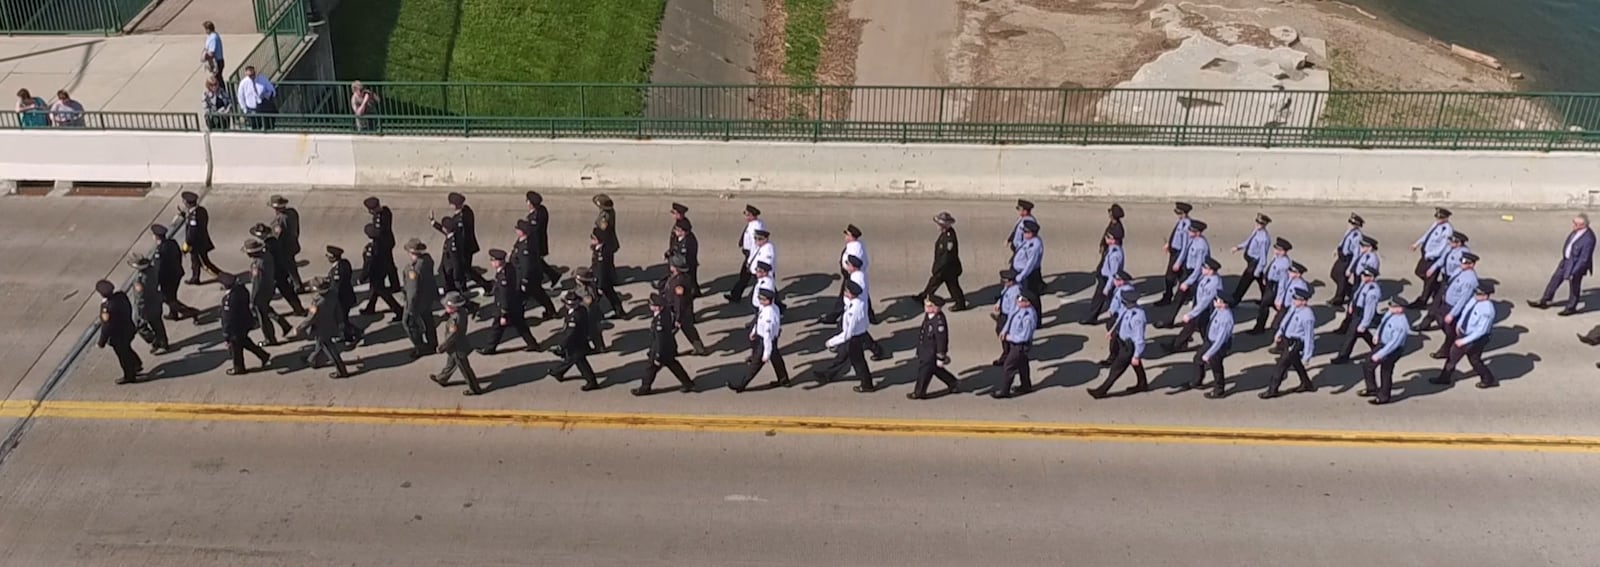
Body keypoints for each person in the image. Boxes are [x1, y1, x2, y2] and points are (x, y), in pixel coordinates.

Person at [1431, 282, 1500, 389]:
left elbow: (1481, 331)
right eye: (1476, 292)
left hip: (1475, 339)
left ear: (1486, 296)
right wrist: (1459, 325)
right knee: (1455, 356)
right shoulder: (1474, 300)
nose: (1475, 295)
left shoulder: (1488, 310)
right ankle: (1445, 377)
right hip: (1464, 333)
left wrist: (1464, 341)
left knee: (1474, 360)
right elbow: (1466, 311)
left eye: (1479, 294)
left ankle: (1488, 379)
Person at [814, 281, 875, 392]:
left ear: (852, 294)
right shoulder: (858, 301)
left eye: (846, 291)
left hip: (854, 338)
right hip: (858, 335)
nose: (845, 293)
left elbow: (847, 333)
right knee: (843, 357)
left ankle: (867, 384)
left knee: (858, 362)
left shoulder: (853, 310)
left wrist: (831, 342)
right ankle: (828, 374)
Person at [1530, 213, 1595, 315]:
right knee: (1555, 279)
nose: (1573, 225)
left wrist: (1574, 272)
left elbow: (1584, 259)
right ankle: (1545, 300)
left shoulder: (1589, 239)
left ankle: (1571, 307)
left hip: (1576, 265)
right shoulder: (1576, 231)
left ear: (1583, 225)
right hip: (1566, 261)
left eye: (1575, 224)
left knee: (1574, 286)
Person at [479, 249, 540, 355]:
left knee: (497, 327)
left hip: (508, 307)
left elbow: (504, 296)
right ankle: (533, 344)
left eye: (493, 260)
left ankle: (489, 348)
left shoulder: (503, 277)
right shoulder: (508, 268)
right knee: (521, 326)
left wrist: (504, 313)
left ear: (499, 261)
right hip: (515, 305)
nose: (491, 262)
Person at [1090, 291, 1149, 398]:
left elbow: (1140, 339)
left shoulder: (1138, 317)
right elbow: (1119, 320)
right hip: (1122, 342)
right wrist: (1112, 331)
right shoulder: (1127, 309)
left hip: (1129, 346)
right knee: (1136, 364)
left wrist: (1136, 355)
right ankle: (1142, 384)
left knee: (1116, 369)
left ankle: (1101, 391)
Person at [1262, 287, 1317, 399]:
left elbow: (1309, 337)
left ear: (1304, 302)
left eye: (1297, 299)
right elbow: (1286, 321)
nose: (1294, 301)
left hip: (1295, 342)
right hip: (1287, 339)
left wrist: (1307, 356)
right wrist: (1279, 333)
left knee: (1281, 366)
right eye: (1294, 299)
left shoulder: (1307, 316)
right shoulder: (1294, 308)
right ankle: (1307, 383)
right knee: (1296, 362)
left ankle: (1272, 390)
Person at [637, 293, 695, 395]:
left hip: (662, 349)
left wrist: (658, 355)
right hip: (669, 347)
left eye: (652, 304)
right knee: (673, 365)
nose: (650, 306)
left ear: (658, 307)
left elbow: (661, 339)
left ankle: (644, 388)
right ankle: (688, 383)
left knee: (651, 367)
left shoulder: (660, 321)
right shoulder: (664, 313)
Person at [431, 192, 492, 291]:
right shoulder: (467, 211)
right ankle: (473, 287)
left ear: (454, 205)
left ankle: (480, 286)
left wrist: (459, 252)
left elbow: (454, 233)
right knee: (465, 270)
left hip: (463, 249)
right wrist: (435, 224)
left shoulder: (460, 219)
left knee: (464, 271)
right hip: (468, 247)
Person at [295, 278, 352, 379]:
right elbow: (338, 309)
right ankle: (312, 360)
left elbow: (310, 319)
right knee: (319, 345)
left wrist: (300, 328)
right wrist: (340, 322)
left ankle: (341, 370)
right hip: (331, 325)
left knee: (329, 349)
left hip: (321, 329)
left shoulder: (317, 304)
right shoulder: (333, 294)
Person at [1178, 296, 1234, 398]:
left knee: (1216, 366)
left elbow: (1220, 340)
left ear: (1224, 304)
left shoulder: (1226, 319)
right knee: (1198, 358)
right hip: (1210, 341)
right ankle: (1197, 381)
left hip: (1218, 345)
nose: (1215, 301)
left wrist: (1209, 354)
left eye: (1218, 300)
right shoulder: (1218, 310)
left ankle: (1219, 389)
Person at [430, 292, 484, 395]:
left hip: (457, 348)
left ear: (453, 307)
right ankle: (442, 378)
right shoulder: (462, 312)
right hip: (456, 347)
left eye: (447, 306)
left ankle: (475, 389)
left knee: (465, 369)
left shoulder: (455, 320)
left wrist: (442, 347)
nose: (445, 308)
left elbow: (452, 337)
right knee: (451, 363)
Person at [218, 272, 271, 375]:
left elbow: (228, 318)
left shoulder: (229, 300)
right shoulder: (242, 290)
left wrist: (226, 335)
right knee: (244, 341)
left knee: (236, 348)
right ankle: (263, 355)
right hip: (244, 323)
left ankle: (238, 367)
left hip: (235, 328)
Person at [1163, 257, 1221, 351]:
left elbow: (1204, 303)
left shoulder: (1213, 284)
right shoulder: (1206, 277)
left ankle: (1177, 345)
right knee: (1203, 329)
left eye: (1204, 267)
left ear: (1211, 271)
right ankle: (1213, 347)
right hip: (1201, 307)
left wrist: (1190, 314)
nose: (1202, 268)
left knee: (1192, 325)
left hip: (1205, 309)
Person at [1361, 297, 1411, 405]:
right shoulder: (1390, 313)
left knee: (1386, 371)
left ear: (1400, 309)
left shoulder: (1401, 324)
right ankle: (1372, 388)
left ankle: (1384, 396)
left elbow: (1394, 344)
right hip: (1382, 344)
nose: (1390, 307)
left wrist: (1380, 354)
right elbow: (1383, 323)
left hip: (1392, 350)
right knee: (1367, 364)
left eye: (1393, 306)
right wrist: (1377, 334)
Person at [909, 296, 960, 400]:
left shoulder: (939, 322)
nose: (925, 307)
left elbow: (942, 341)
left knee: (924, 372)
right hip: (925, 350)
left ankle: (919, 392)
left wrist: (941, 357)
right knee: (936, 370)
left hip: (931, 353)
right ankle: (952, 382)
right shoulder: (929, 316)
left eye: (928, 305)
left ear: (934, 308)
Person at [250, 223, 306, 316]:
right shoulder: (274, 241)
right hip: (281, 271)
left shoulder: (267, 246)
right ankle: (299, 309)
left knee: (267, 296)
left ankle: (263, 314)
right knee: (288, 292)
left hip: (275, 273)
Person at [243, 238, 292, 346]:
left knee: (262, 317)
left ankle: (270, 338)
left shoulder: (257, 265)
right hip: (269, 287)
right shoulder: (267, 255)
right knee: (267, 309)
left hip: (261, 292)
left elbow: (257, 284)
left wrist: (252, 300)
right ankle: (284, 324)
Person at [1422, 253, 1480, 342]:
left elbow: (1463, 300)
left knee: (1450, 330)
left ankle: (1452, 346)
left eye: (1465, 262)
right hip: (1446, 303)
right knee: (1440, 319)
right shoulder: (1459, 270)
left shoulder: (1470, 280)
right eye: (1461, 260)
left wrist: (1452, 314)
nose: (1461, 263)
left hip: (1452, 307)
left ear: (1471, 264)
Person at [738, 289, 788, 392]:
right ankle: (784, 379)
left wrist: (766, 354)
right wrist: (754, 331)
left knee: (755, 364)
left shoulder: (768, 315)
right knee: (776, 359)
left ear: (768, 300)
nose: (760, 300)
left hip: (765, 341)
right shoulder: (772, 308)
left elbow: (767, 336)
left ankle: (741, 385)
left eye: (762, 299)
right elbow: (758, 320)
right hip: (769, 337)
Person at [550, 291, 601, 391]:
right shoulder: (581, 310)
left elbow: (570, 333)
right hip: (580, 340)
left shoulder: (574, 317)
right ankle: (558, 372)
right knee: (573, 359)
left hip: (575, 342)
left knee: (580, 361)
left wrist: (561, 345)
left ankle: (592, 382)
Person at [916, 211, 966, 310]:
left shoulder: (949, 238)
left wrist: (937, 269)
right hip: (943, 267)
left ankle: (960, 304)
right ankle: (924, 296)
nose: (937, 226)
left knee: (952, 286)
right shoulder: (945, 234)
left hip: (948, 268)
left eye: (939, 224)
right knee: (934, 282)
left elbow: (946, 257)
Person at [95, 280, 142, 385]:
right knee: (127, 348)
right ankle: (136, 363)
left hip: (118, 336)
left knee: (123, 355)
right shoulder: (121, 296)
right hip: (128, 329)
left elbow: (106, 327)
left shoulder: (107, 308)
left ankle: (129, 375)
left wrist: (101, 342)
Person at [1331, 268, 1382, 364]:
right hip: (1356, 310)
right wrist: (1351, 305)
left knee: (1351, 335)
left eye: (1366, 276)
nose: (1363, 277)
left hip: (1361, 314)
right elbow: (1357, 294)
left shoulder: (1373, 292)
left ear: (1372, 277)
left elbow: (1369, 310)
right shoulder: (1364, 283)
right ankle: (1376, 347)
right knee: (1361, 333)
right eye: (1363, 275)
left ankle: (1343, 355)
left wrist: (1364, 324)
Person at [1407, 207, 1455, 308]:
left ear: (1446, 218)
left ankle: (1423, 301)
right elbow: (1427, 235)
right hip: (1426, 254)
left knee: (1429, 280)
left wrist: (1429, 255)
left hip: (1434, 258)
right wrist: (1417, 244)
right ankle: (1436, 287)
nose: (1438, 220)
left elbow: (1442, 248)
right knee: (1419, 272)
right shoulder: (1436, 224)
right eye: (1437, 218)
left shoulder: (1447, 230)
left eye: (1440, 218)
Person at [150, 224, 200, 320]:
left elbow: (159, 269)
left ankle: (190, 312)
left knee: (167, 299)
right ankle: (173, 314)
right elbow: (178, 256)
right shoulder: (172, 243)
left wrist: (156, 282)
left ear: (156, 237)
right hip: (176, 274)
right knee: (172, 296)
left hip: (167, 279)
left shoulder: (160, 251)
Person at [662, 254, 709, 355]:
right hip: (683, 310)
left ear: (676, 268)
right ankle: (700, 348)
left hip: (679, 311)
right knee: (688, 330)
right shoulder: (680, 277)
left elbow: (679, 301)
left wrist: (678, 318)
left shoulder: (679, 283)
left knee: (669, 333)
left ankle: (671, 351)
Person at [994, 294, 1038, 399]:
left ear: (1028, 302)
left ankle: (1005, 390)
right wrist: (1004, 331)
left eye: (1021, 299)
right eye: (1018, 298)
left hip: (1020, 345)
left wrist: (1008, 337)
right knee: (1022, 364)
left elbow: (1024, 337)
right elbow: (1010, 318)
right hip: (1015, 343)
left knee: (1009, 366)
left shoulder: (1029, 317)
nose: (1018, 301)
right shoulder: (1019, 308)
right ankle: (1026, 386)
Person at [511, 219, 556, 319]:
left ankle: (517, 318)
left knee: (521, 298)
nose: (516, 230)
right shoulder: (523, 240)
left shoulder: (526, 248)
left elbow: (526, 266)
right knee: (538, 295)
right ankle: (551, 310)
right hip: (530, 277)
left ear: (522, 231)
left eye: (517, 229)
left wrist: (524, 281)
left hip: (528, 278)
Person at [401, 239, 439, 358]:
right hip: (428, 297)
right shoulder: (427, 260)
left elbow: (413, 291)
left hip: (417, 301)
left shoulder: (413, 270)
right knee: (428, 320)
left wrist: (410, 309)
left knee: (408, 323)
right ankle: (432, 343)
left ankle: (420, 347)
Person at [360, 223, 404, 320]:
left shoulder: (371, 248)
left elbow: (368, 265)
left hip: (376, 273)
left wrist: (362, 278)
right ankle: (370, 307)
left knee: (383, 293)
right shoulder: (383, 243)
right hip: (383, 270)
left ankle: (398, 310)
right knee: (375, 290)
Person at [175, 190, 221, 283]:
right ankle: (195, 278)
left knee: (205, 265)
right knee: (195, 262)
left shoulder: (194, 216)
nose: (184, 204)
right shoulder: (201, 210)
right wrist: (185, 216)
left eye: (184, 202)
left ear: (188, 203)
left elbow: (192, 232)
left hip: (197, 245)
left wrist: (186, 246)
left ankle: (223, 278)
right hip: (201, 242)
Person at [1082, 232, 1126, 325]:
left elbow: (1113, 274)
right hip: (1105, 277)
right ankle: (1094, 316)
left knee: (1106, 299)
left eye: (1108, 237)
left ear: (1113, 240)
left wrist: (1107, 287)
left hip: (1107, 281)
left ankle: (1093, 318)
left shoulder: (1115, 255)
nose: (1106, 238)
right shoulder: (1112, 249)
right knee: (1107, 300)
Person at [127, 254, 168, 354]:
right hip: (156, 301)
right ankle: (163, 342)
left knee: (140, 325)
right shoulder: (153, 269)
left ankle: (155, 340)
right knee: (158, 324)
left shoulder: (140, 280)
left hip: (147, 306)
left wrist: (140, 312)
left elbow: (140, 297)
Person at [1253, 260, 1307, 335]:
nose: (1290, 273)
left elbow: (1302, 300)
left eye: (1293, 272)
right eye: (1290, 270)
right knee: (1266, 307)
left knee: (1278, 324)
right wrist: (1278, 300)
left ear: (1298, 274)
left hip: (1288, 307)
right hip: (1282, 302)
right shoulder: (1288, 278)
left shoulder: (1301, 286)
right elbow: (1282, 288)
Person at [1093, 271, 1136, 366]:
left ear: (1123, 281)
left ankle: (1113, 358)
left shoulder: (1126, 291)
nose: (1115, 281)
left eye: (1117, 280)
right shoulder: (1120, 288)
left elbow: (1124, 307)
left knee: (1114, 338)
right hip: (1115, 315)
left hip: (1120, 317)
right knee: (1115, 336)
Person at [725, 204, 767, 301]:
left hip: (752, 256)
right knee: (745, 277)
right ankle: (735, 295)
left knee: (759, 278)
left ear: (752, 215)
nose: (746, 216)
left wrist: (750, 260)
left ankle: (777, 303)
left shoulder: (756, 227)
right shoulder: (753, 223)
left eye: (747, 214)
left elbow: (755, 245)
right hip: (750, 255)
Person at [1171, 220, 1211, 315]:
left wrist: (1187, 283)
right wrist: (1179, 263)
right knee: (1178, 297)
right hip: (1188, 270)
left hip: (1196, 276)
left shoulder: (1201, 246)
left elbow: (1198, 268)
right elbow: (1185, 251)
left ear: (1198, 233)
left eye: (1191, 231)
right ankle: (1168, 320)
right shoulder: (1193, 240)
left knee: (1199, 301)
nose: (1188, 232)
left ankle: (1197, 323)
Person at [1230, 213, 1272, 304]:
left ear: (1264, 225)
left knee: (1245, 281)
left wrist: (1257, 271)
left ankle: (1235, 299)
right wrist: (1238, 247)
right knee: (1261, 282)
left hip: (1255, 263)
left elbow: (1263, 257)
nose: (1257, 225)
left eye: (1260, 224)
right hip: (1251, 261)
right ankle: (1267, 299)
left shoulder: (1264, 239)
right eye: (1257, 222)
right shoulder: (1256, 231)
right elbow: (1248, 241)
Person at [1158, 202, 1194, 305]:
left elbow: (1184, 246)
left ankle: (1169, 297)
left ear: (1183, 213)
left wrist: (1178, 262)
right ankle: (1186, 295)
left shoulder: (1187, 225)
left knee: (1170, 277)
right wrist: (1169, 245)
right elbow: (1175, 235)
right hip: (1174, 252)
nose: (1177, 215)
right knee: (1180, 276)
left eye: (1179, 213)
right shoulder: (1181, 222)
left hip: (1179, 254)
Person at [325, 245, 361, 344]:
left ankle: (355, 333)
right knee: (342, 319)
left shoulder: (337, 271)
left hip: (342, 300)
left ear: (332, 257)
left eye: (328, 256)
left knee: (342, 320)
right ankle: (345, 335)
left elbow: (337, 288)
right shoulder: (344, 263)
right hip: (348, 296)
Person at [524, 191, 561, 286]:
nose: (527, 203)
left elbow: (533, 233)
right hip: (541, 241)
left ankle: (552, 276)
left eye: (527, 201)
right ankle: (552, 276)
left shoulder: (534, 217)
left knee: (536, 263)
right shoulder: (542, 210)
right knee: (538, 263)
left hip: (536, 244)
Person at [269, 195, 305, 292]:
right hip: (293, 243)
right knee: (290, 265)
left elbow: (277, 236)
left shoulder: (279, 221)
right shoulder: (293, 213)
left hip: (284, 247)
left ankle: (297, 285)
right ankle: (295, 283)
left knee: (289, 267)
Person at [590, 227, 626, 319]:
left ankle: (596, 316)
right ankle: (619, 311)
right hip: (603, 278)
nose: (591, 240)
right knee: (611, 295)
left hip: (602, 280)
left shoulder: (602, 253)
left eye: (593, 238)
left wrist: (600, 286)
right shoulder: (600, 249)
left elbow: (601, 270)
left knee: (595, 299)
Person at [572, 268, 609, 352]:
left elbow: (588, 300)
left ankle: (598, 348)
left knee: (592, 332)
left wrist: (579, 300)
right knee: (593, 332)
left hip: (588, 314)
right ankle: (598, 347)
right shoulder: (591, 285)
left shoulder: (585, 290)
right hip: (594, 311)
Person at [364, 197, 397, 289]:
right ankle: (395, 284)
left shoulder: (379, 217)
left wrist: (367, 229)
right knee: (390, 264)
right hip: (388, 242)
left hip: (382, 245)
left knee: (381, 266)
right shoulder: (386, 211)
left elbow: (377, 233)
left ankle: (380, 286)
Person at [1331, 213, 1365, 302]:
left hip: (1348, 258)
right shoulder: (1349, 231)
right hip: (1341, 256)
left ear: (1357, 226)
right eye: (1349, 222)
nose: (1350, 225)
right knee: (1334, 274)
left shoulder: (1357, 237)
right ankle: (1351, 292)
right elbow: (1344, 240)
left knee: (1342, 278)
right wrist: (1337, 249)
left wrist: (1350, 269)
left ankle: (1338, 299)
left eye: (1352, 224)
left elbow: (1356, 254)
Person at [1338, 236, 1381, 306]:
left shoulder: (1373, 259)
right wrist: (1351, 270)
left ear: (1370, 248)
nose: (1361, 247)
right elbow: (1356, 262)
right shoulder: (1364, 254)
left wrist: (1364, 281)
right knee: (1353, 291)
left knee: (1356, 295)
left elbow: (1372, 273)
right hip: (1358, 276)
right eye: (1361, 245)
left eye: (1364, 246)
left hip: (1363, 279)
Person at [666, 217, 701, 299]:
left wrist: (674, 266)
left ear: (683, 232)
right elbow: (674, 247)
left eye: (677, 230)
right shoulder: (678, 238)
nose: (675, 231)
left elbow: (684, 259)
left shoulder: (688, 242)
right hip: (678, 267)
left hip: (684, 269)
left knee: (685, 287)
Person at [236, 65, 277, 130]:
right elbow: (240, 97)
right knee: (255, 129)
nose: (252, 77)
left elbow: (272, 90)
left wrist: (266, 95)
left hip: (263, 107)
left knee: (269, 127)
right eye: (250, 75)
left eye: (253, 74)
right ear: (246, 74)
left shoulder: (262, 79)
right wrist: (244, 109)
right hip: (252, 110)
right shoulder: (243, 83)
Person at [1011, 220, 1044, 298]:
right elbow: (1017, 243)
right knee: (1018, 292)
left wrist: (1021, 276)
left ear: (1032, 233)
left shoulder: (1035, 246)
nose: (1024, 233)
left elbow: (1030, 264)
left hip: (1027, 275)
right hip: (1019, 271)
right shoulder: (1027, 240)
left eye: (1026, 232)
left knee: (1029, 295)